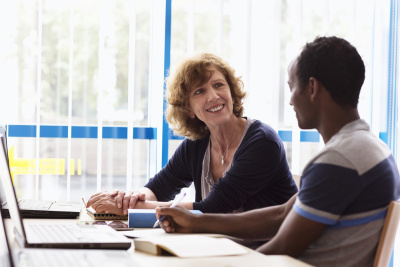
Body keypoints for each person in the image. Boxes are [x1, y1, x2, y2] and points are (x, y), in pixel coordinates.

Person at [155, 36, 400, 266]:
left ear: (312, 88)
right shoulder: (364, 148)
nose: (291, 100)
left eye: (292, 86)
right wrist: (198, 221)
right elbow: (283, 214)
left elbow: (282, 246)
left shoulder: (341, 160)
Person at [86, 53, 298, 216]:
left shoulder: (262, 142)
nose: (213, 96)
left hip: (267, 253)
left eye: (218, 85)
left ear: (231, 92)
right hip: (221, 249)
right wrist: (130, 199)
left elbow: (213, 208)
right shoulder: (197, 145)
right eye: (200, 91)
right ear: (189, 109)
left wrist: (132, 208)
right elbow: (158, 188)